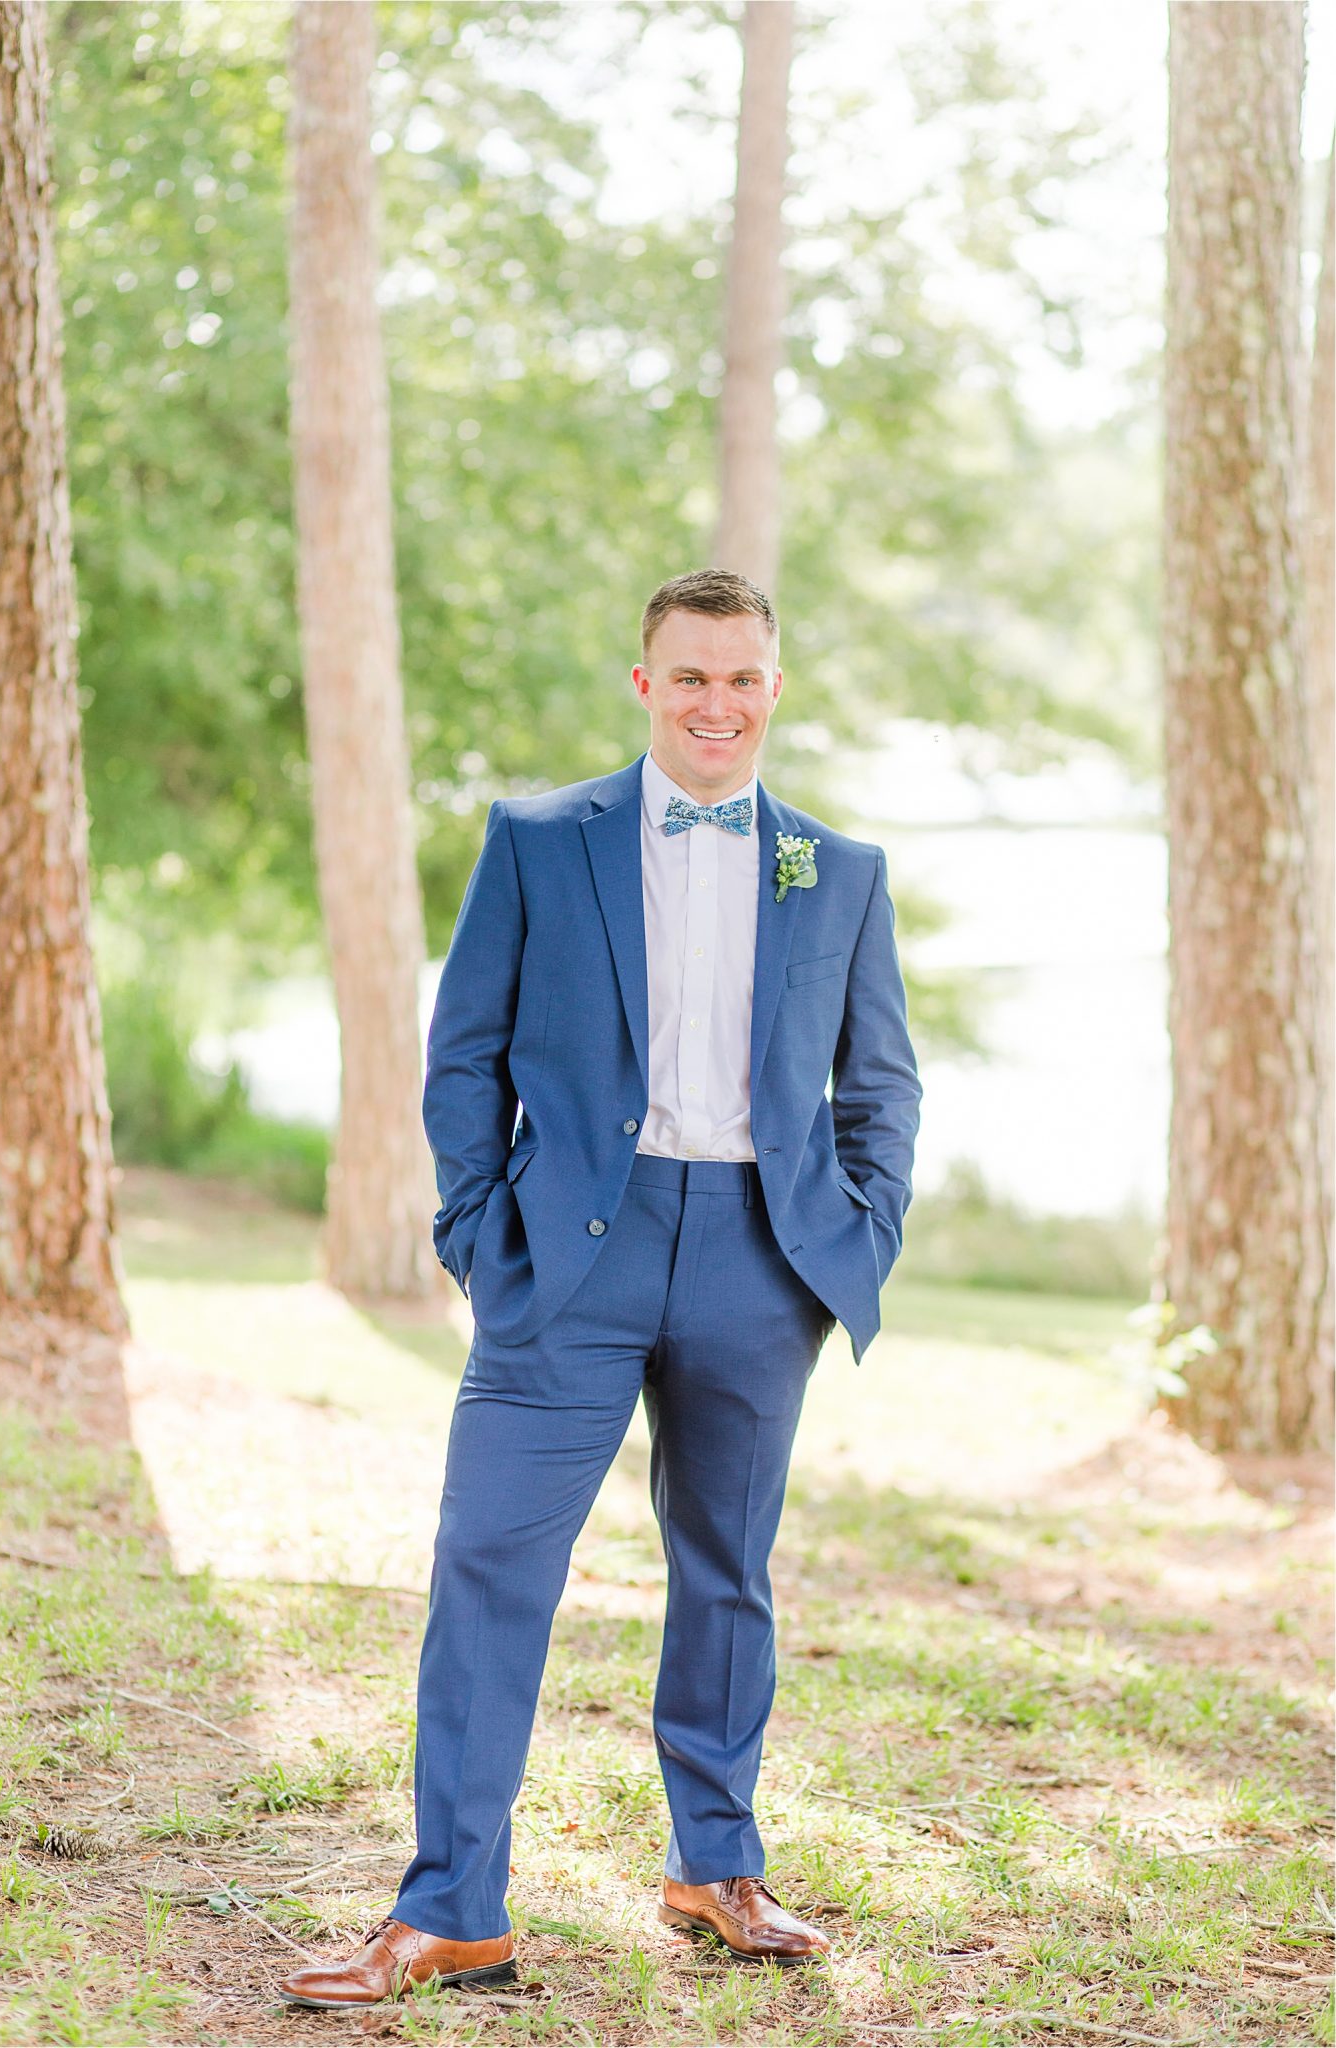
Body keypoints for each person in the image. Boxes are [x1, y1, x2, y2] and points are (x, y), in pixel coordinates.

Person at [278, 567, 922, 2010]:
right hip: (566, 1252)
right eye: (689, 676)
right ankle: (452, 1910)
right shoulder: (537, 840)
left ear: (773, 686)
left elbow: (878, 1084)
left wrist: (850, 1241)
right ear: (646, 685)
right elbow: (464, 1054)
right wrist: (472, 1227)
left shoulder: (839, 870)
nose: (716, 703)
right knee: (489, 1565)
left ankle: (714, 1867)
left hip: (761, 1258)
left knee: (725, 1572)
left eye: (741, 677)